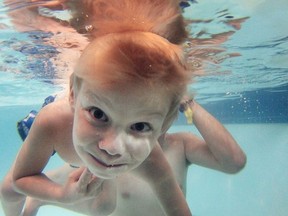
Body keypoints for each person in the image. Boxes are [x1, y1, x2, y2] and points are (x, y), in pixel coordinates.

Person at [0, 0, 247, 216]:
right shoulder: (53, 120)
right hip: (67, 127)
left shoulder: (153, 157)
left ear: (166, 123)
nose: (112, 148)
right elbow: (21, 179)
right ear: (74, 94)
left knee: (103, 207)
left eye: (140, 126)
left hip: (87, 158)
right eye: (98, 114)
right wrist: (63, 194)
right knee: (7, 191)